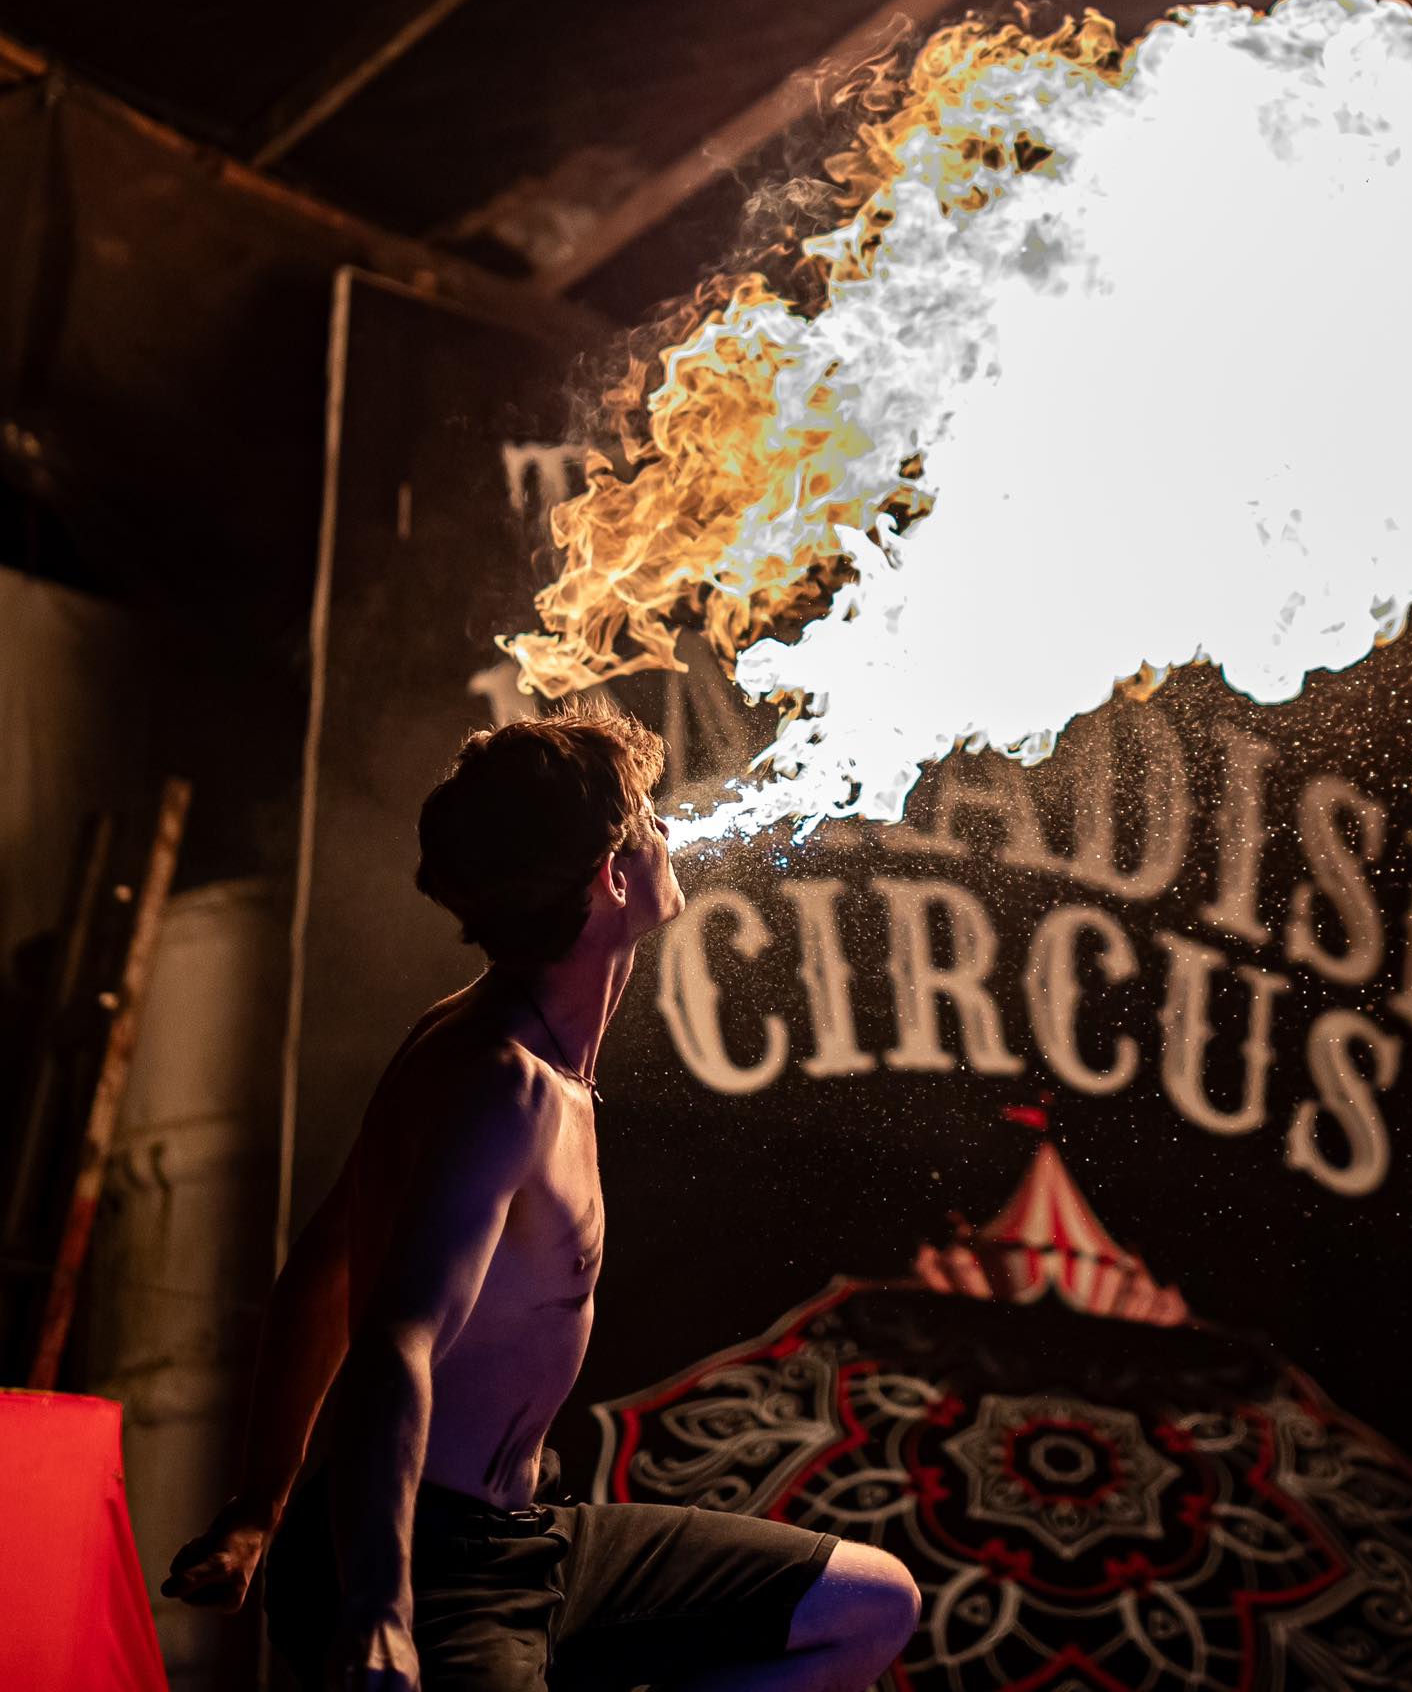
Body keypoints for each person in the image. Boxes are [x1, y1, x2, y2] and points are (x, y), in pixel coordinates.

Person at [163, 703, 920, 1691]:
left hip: (528, 1536)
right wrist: (376, 1611)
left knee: (864, 1603)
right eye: (646, 814)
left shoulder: (504, 1043)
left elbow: (322, 1259)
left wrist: (258, 1502)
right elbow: (394, 1338)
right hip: (429, 1569)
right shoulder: (498, 1081)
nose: (666, 826)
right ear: (610, 879)